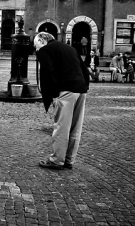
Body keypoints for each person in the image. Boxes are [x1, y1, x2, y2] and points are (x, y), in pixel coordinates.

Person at [34, 32, 89, 170]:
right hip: (81, 90)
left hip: (65, 91)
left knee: (61, 127)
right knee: (75, 128)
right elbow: (84, 70)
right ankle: (69, 160)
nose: (36, 49)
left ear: (41, 40)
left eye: (36, 45)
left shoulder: (45, 50)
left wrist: (53, 95)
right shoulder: (70, 48)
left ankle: (57, 160)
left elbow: (47, 73)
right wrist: (84, 86)